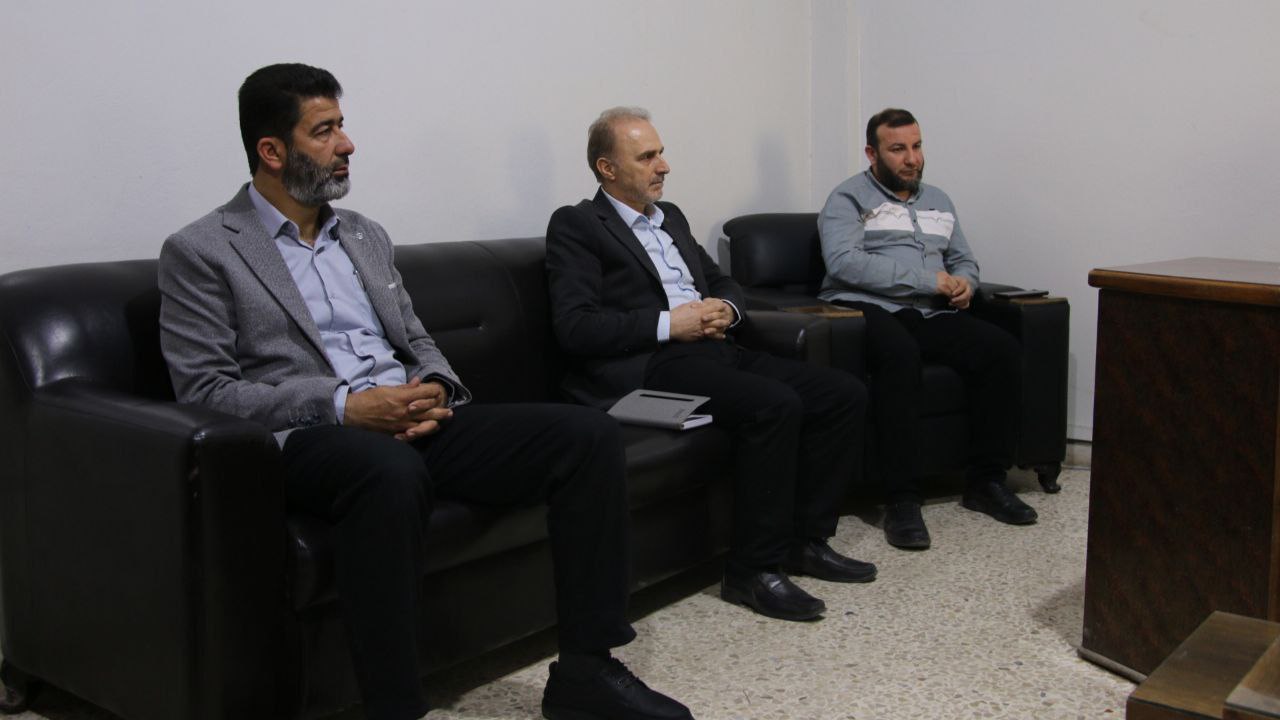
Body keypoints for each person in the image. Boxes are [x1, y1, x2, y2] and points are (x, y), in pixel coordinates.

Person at [158, 64, 692, 720]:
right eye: (324, 131)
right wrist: (345, 406)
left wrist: (437, 387)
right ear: (272, 151)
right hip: (312, 436)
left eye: (342, 126)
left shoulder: (364, 235)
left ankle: (587, 670)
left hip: (407, 414)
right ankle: (396, 706)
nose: (347, 144)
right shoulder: (203, 250)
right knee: (388, 470)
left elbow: (416, 339)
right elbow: (206, 391)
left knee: (586, 436)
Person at [545, 107, 875, 624]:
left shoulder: (670, 217)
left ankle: (805, 541)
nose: (663, 165)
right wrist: (669, 324)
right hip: (652, 364)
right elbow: (576, 326)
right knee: (773, 405)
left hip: (714, 349)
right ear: (607, 168)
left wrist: (727, 308)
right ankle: (751, 571)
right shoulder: (578, 224)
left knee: (842, 393)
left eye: (661, 153)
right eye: (647, 156)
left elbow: (720, 281)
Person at [817, 107, 1036, 551]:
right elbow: (844, 263)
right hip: (867, 307)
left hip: (931, 312)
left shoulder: (938, 199)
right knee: (900, 356)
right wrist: (925, 280)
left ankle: (986, 482)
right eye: (898, 149)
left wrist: (965, 283)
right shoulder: (847, 199)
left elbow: (963, 258)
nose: (912, 158)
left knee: (1000, 350)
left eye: (916, 147)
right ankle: (902, 498)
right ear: (872, 153)